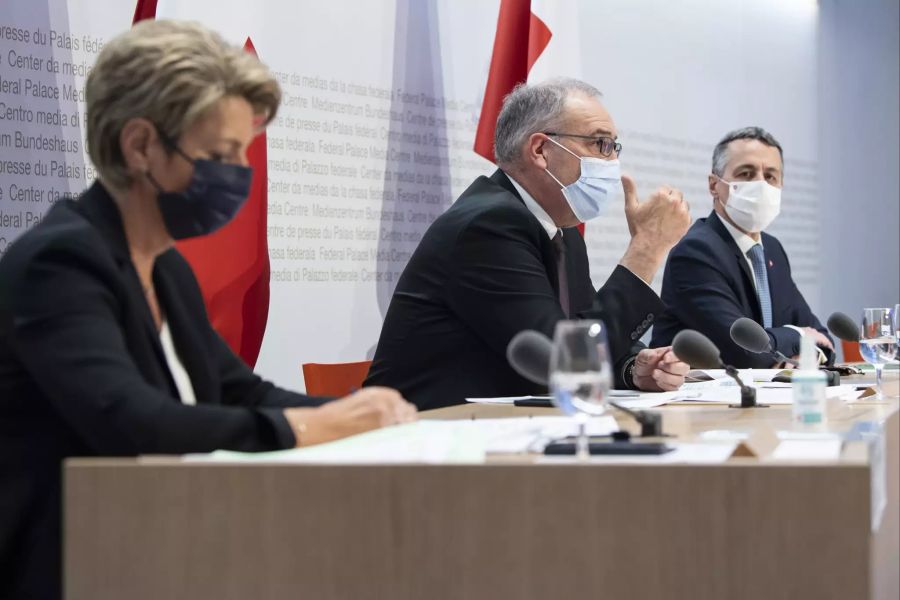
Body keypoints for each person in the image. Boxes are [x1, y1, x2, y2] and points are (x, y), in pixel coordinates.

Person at [0, 20, 415, 599]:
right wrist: (310, 426)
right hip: (69, 565)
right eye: (220, 154)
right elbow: (133, 420)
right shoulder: (60, 263)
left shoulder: (163, 264)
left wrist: (360, 415)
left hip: (162, 546)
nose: (239, 174)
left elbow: (234, 391)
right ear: (140, 145)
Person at [365, 78, 692, 410]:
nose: (611, 161)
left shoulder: (560, 231)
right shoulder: (489, 226)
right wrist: (647, 247)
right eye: (600, 144)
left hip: (499, 431)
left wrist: (633, 367)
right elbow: (564, 363)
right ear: (540, 150)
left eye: (613, 147)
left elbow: (580, 330)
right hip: (426, 437)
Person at [651, 127, 834, 367]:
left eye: (770, 176)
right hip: (699, 401)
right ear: (714, 185)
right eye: (746, 174)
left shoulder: (772, 249)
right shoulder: (697, 251)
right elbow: (744, 352)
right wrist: (799, 336)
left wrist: (809, 355)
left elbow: (824, 341)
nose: (760, 184)